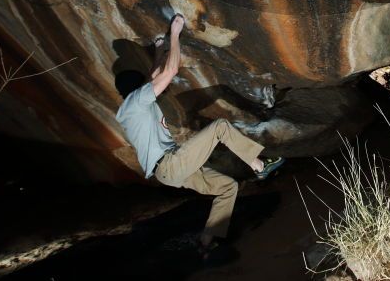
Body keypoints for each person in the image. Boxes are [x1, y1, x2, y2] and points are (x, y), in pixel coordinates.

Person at [114, 14, 284, 256]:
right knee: (220, 127)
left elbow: (153, 77)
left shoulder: (131, 106)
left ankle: (205, 242)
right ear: (136, 88)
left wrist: (160, 49)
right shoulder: (137, 101)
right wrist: (174, 33)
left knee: (228, 187)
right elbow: (168, 72)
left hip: (170, 171)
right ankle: (258, 165)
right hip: (171, 165)